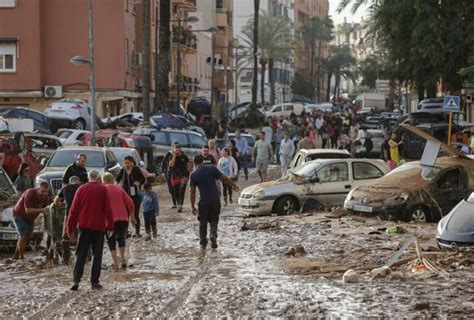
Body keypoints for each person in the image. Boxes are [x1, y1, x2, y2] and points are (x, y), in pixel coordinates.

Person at [67, 170, 114, 291]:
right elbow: (108, 209)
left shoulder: (81, 189)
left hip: (83, 227)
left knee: (81, 254)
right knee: (97, 254)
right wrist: (110, 227)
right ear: (98, 178)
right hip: (98, 227)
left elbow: (73, 210)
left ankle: (76, 281)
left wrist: (69, 228)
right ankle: (94, 282)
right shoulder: (103, 189)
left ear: (88, 178)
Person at [189, 155, 239, 250]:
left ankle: (203, 243)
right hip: (215, 200)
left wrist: (192, 206)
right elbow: (224, 178)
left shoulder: (193, 174)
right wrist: (233, 185)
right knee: (214, 220)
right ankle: (213, 234)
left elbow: (192, 192)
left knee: (203, 222)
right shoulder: (212, 168)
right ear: (203, 161)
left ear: (194, 163)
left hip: (203, 201)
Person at [102, 173, 135, 270]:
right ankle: (123, 260)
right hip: (123, 219)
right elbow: (130, 202)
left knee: (111, 240)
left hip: (110, 220)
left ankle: (115, 262)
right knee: (121, 238)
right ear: (112, 180)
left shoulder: (103, 190)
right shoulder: (120, 189)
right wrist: (132, 216)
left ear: (103, 181)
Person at [11, 183, 50, 260]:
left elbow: (46, 210)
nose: (44, 194)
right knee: (23, 234)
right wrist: (42, 210)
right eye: (42, 191)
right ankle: (21, 257)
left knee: (26, 236)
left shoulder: (46, 197)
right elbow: (28, 210)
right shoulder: (30, 193)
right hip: (19, 214)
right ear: (38, 188)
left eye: (46, 192)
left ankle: (16, 255)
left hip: (30, 218)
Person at [116, 156, 146, 237]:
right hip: (125, 195)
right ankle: (125, 232)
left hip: (135, 195)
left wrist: (139, 182)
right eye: (125, 163)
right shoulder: (122, 170)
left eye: (128, 163)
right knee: (126, 214)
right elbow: (117, 179)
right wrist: (119, 184)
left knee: (135, 213)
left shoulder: (136, 169)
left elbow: (143, 179)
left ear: (131, 162)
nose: (126, 164)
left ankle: (137, 232)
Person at [168, 143, 190, 213]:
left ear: (180, 150)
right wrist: (174, 156)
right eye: (176, 150)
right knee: (176, 192)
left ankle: (180, 205)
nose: (177, 151)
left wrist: (189, 174)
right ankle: (178, 204)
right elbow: (171, 165)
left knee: (181, 190)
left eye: (178, 149)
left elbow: (189, 166)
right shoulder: (171, 157)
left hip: (183, 176)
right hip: (174, 176)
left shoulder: (185, 157)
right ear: (173, 150)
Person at [161, 143, 178, 208]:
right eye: (174, 147)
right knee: (171, 189)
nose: (175, 148)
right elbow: (163, 163)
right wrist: (163, 172)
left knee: (177, 189)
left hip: (177, 174)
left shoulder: (180, 154)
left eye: (176, 147)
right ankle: (175, 202)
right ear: (172, 147)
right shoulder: (168, 154)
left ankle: (176, 203)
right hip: (170, 173)